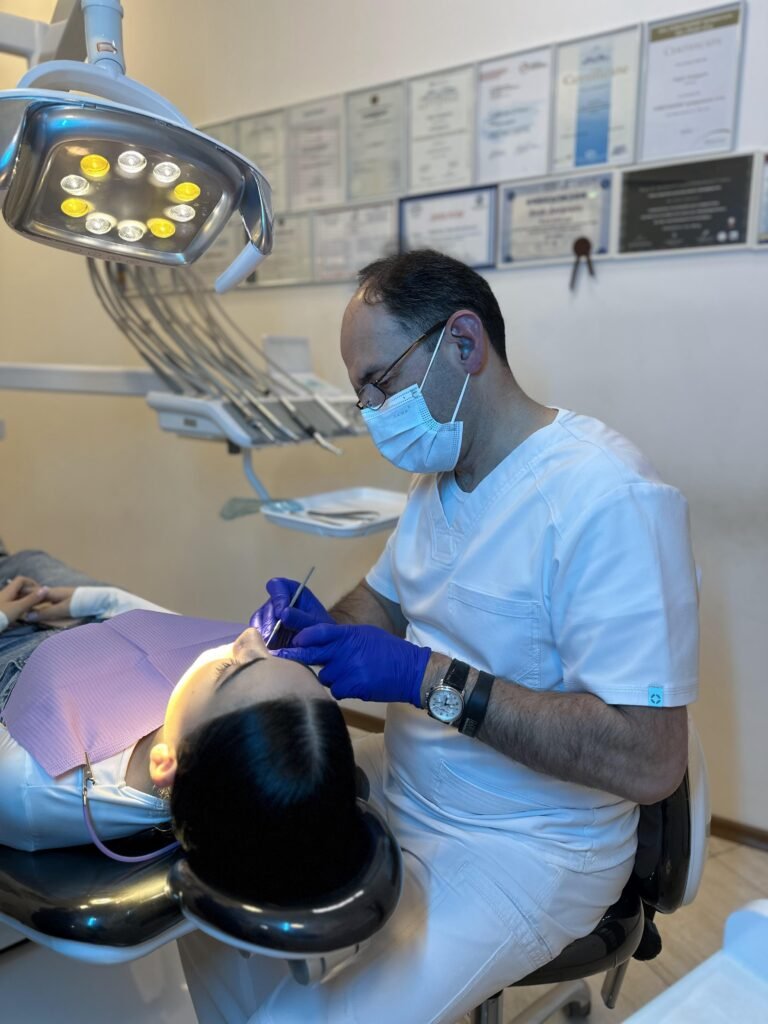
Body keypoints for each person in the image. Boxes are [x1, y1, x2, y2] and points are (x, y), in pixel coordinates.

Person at [178, 249, 700, 1024]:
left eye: (379, 384)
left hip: (527, 848)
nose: (376, 412)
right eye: (365, 397)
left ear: (463, 343)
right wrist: (324, 628)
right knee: (211, 904)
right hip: (407, 785)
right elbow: (384, 603)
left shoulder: (606, 498)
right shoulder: (441, 478)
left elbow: (651, 760)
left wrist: (429, 680)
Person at [0, 547, 367, 905]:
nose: (250, 638)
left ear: (165, 763)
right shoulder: (202, 730)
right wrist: (99, 601)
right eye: (276, 658)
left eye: (230, 669)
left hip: (13, 652)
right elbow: (156, 636)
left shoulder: (27, 785)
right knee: (32, 560)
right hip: (76, 625)